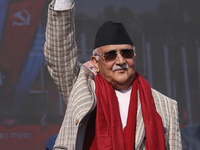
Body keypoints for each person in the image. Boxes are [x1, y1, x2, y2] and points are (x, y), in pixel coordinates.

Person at [44, 0, 182, 149]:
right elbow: (59, 54)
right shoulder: (83, 88)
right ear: (95, 63)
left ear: (135, 57)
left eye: (127, 53)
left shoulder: (166, 106)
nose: (121, 60)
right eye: (110, 55)